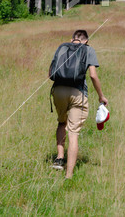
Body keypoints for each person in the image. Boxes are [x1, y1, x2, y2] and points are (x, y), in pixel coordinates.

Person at [49, 29, 108, 179]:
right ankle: (69, 175)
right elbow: (93, 75)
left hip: (58, 90)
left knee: (62, 122)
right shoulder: (88, 50)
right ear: (86, 41)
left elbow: (50, 72)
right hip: (78, 93)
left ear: (72, 39)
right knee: (73, 133)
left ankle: (59, 158)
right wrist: (101, 96)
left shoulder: (62, 47)